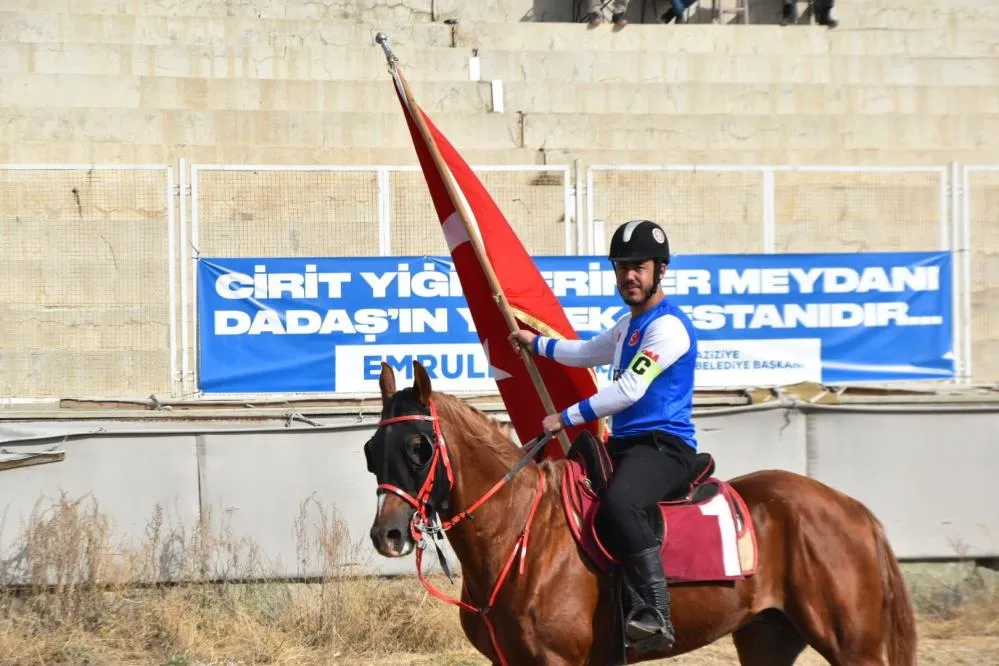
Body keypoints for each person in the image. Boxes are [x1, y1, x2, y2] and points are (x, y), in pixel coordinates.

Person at [509, 219, 698, 653]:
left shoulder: (668, 328)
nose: (629, 276)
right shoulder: (628, 325)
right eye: (622, 267)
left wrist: (565, 417)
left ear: (660, 270)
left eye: (639, 267)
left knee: (619, 505)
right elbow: (585, 351)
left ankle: (655, 613)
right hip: (625, 447)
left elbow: (629, 389)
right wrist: (535, 344)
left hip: (664, 448)